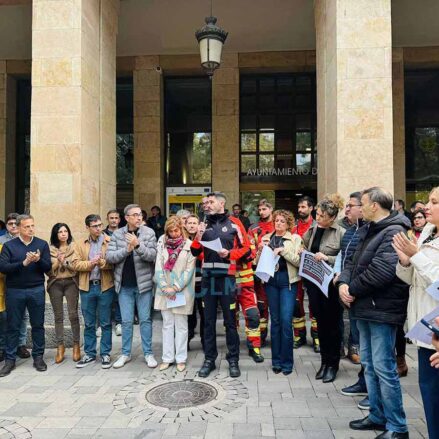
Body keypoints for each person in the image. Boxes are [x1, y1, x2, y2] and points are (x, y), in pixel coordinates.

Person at [338, 187, 410, 438]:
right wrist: (343, 284)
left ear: (375, 206)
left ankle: (397, 427)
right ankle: (378, 416)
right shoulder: (368, 229)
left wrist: (352, 289)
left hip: (382, 310)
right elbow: (351, 261)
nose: (358, 207)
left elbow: (382, 272)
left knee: (384, 367)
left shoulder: (394, 230)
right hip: (364, 308)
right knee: (369, 364)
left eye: (362, 203)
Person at [394, 186, 439, 439]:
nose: (426, 207)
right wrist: (404, 260)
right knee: (430, 399)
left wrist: (417, 256)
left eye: (434, 202)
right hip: (425, 331)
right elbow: (413, 278)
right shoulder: (426, 235)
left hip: (437, 329)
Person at [191, 191, 251, 378]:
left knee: (230, 322)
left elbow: (247, 248)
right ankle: (209, 359)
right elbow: (194, 252)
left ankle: (233, 359)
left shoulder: (235, 223)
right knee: (208, 322)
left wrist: (230, 254)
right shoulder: (204, 224)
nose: (206, 205)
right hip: (208, 280)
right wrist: (198, 236)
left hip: (227, 279)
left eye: (210, 201)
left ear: (221, 203)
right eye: (205, 202)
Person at [106, 204, 158, 369]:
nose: (139, 217)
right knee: (127, 321)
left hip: (144, 285)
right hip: (124, 286)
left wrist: (137, 246)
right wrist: (127, 250)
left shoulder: (148, 233)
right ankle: (125, 354)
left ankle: (148, 353)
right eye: (134, 215)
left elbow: (153, 256)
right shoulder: (117, 234)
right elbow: (110, 257)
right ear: (126, 218)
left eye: (140, 215)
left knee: (145, 320)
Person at [0, 214, 51, 377]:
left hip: (36, 289)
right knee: (13, 325)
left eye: (32, 226)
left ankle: (38, 357)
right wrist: (23, 263)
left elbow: (48, 267)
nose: (30, 229)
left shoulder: (41, 244)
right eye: (27, 226)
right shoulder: (9, 246)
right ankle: (9, 360)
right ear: (19, 228)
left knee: (38, 324)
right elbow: (3, 267)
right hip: (15, 291)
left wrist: (37, 260)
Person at [302, 194, 345, 383]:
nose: (318, 218)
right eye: (317, 214)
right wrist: (301, 251)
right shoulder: (312, 230)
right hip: (314, 283)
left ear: (332, 218)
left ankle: (333, 364)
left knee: (332, 325)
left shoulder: (341, 233)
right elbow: (304, 247)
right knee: (320, 323)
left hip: (331, 286)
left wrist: (327, 258)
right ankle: (324, 362)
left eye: (322, 216)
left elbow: (346, 259)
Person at [257, 209, 302, 375]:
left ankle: (287, 362)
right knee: (274, 321)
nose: (279, 223)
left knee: (285, 320)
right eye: (277, 220)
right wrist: (260, 251)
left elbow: (298, 261)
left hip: (287, 282)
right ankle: (276, 361)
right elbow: (257, 261)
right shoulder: (266, 238)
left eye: (282, 221)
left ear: (288, 223)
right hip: (271, 282)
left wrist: (283, 251)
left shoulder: (295, 238)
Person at [72, 214, 114, 369]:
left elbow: (115, 263)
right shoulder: (80, 244)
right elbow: (75, 264)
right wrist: (90, 264)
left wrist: (103, 263)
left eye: (100, 225)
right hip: (87, 287)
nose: (98, 228)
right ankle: (89, 353)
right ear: (87, 227)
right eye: (95, 226)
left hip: (105, 286)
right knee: (89, 323)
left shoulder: (110, 241)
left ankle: (105, 353)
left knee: (105, 322)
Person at [154, 216, 196, 372]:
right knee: (167, 325)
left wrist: (176, 287)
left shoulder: (189, 245)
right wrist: (164, 285)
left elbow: (189, 270)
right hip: (164, 290)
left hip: (181, 290)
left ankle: (181, 358)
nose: (173, 234)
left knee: (181, 325)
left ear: (181, 229)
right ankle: (167, 358)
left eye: (176, 230)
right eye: (170, 231)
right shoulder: (162, 244)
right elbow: (158, 266)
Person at [335, 192, 364, 364]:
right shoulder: (349, 231)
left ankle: (355, 347)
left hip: (358, 285)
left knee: (356, 321)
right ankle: (342, 346)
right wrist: (338, 274)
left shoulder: (367, 231)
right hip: (343, 282)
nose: (346, 209)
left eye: (350, 206)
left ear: (362, 208)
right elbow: (342, 255)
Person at [47, 223, 80, 364]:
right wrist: (57, 263)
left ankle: (76, 345)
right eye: (60, 231)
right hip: (55, 283)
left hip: (71, 282)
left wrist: (65, 262)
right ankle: (60, 347)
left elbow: (77, 267)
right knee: (58, 316)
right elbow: (47, 270)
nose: (63, 234)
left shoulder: (74, 247)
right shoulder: (49, 249)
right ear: (56, 234)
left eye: (65, 231)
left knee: (73, 314)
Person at [0, 213, 30, 360]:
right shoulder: (1, 241)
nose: (12, 226)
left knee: (23, 315)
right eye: (10, 223)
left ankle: (21, 344)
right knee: (5, 316)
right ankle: (5, 347)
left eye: (15, 223)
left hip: (20, 284)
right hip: (3, 284)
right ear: (6, 226)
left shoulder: (25, 241)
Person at [292, 196, 320, 352]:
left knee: (315, 304)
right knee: (296, 304)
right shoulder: (293, 227)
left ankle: (317, 338)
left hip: (312, 270)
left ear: (311, 208)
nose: (300, 210)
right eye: (299, 207)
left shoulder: (318, 226)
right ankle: (299, 335)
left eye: (303, 207)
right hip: (296, 270)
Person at [248, 199, 275, 346]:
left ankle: (279, 336)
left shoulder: (278, 225)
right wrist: (258, 248)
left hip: (278, 271)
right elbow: (250, 249)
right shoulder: (253, 228)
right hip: (259, 271)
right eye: (260, 210)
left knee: (277, 306)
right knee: (261, 305)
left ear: (271, 209)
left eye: (264, 209)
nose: (261, 212)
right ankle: (262, 335)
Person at [185, 215, 205, 351]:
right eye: (189, 223)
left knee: (205, 314)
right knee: (188, 314)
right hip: (186, 283)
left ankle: (205, 341)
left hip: (203, 283)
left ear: (199, 225)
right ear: (185, 225)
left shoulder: (205, 239)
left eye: (194, 223)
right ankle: (186, 341)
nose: (192, 225)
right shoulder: (181, 240)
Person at [102, 209, 122, 336]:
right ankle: (103, 324)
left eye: (116, 218)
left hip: (120, 269)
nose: (114, 220)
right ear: (107, 219)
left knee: (119, 297)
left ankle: (119, 323)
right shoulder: (102, 234)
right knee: (105, 298)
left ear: (119, 220)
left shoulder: (123, 233)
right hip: (105, 269)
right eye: (111, 218)